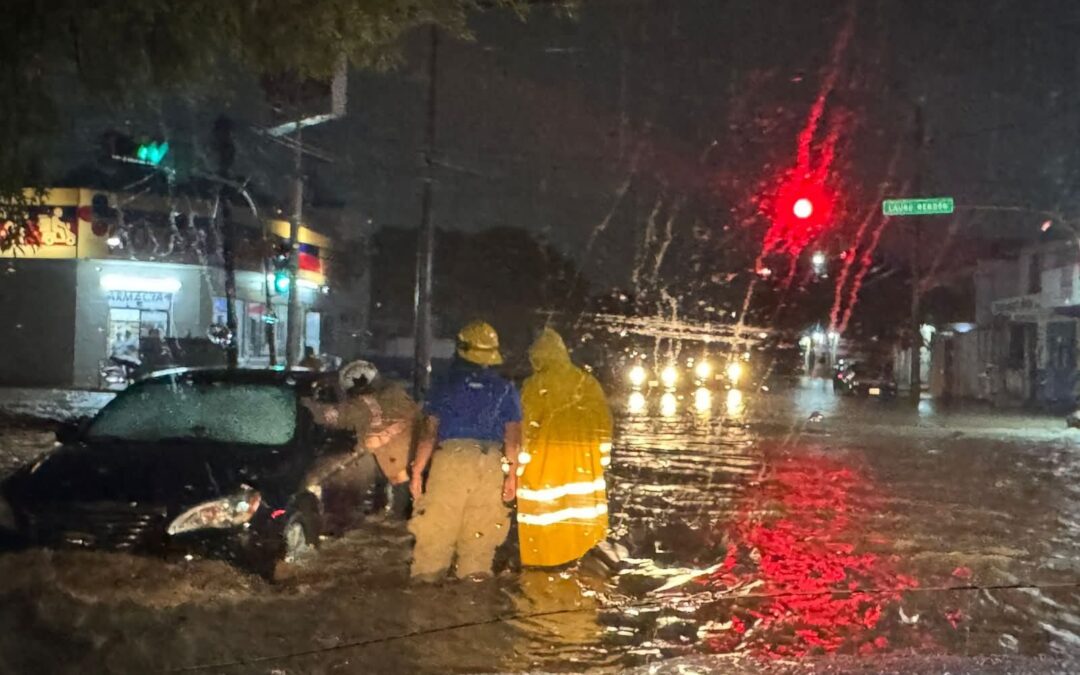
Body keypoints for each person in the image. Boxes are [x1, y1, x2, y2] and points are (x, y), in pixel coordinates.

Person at [408, 321, 522, 582]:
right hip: (491, 462)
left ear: (460, 349)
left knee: (434, 540)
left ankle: (424, 609)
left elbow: (429, 433)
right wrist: (512, 476)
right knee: (479, 545)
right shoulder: (506, 389)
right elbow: (513, 439)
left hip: (451, 459)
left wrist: (417, 471)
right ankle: (474, 610)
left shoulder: (444, 384)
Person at [516, 328, 613, 568]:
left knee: (546, 523)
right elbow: (604, 424)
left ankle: (544, 566)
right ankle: (580, 559)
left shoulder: (533, 386)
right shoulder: (586, 382)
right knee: (580, 521)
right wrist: (600, 461)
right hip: (584, 468)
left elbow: (524, 428)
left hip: (544, 467)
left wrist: (516, 467)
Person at [307, 360, 421, 522]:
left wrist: (307, 406)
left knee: (391, 511)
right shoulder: (397, 393)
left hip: (387, 464)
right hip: (410, 461)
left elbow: (332, 417)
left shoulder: (358, 407)